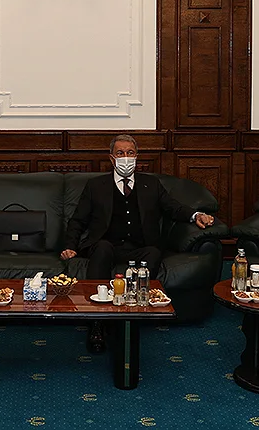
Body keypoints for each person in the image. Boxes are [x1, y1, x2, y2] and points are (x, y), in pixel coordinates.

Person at [61, 134, 217, 352]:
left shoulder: (151, 184)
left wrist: (195, 215)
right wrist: (70, 246)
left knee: (153, 252)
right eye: (120, 153)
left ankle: (132, 311)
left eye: (130, 153)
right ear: (112, 158)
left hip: (140, 247)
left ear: (137, 157)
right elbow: (78, 219)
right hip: (106, 245)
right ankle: (97, 322)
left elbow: (173, 207)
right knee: (102, 249)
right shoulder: (96, 185)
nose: (126, 157)